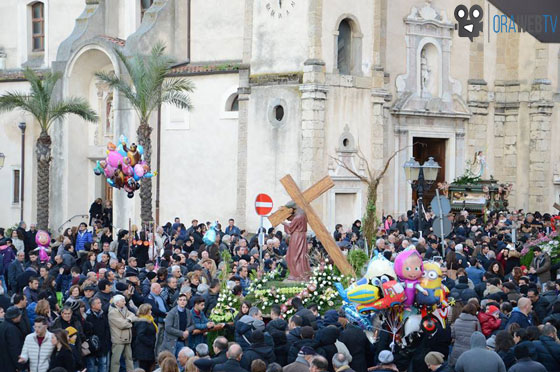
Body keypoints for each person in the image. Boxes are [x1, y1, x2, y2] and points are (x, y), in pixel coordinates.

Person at [108, 294, 138, 372]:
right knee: (116, 361)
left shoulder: (124, 308)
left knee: (129, 359)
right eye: (123, 301)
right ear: (117, 303)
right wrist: (130, 321)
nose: (125, 302)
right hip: (118, 339)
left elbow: (133, 316)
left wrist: (128, 320)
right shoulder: (112, 312)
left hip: (127, 338)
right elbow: (122, 325)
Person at [282, 208, 310, 280]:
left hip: (297, 237)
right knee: (301, 255)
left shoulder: (298, 217)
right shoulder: (303, 215)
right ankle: (302, 273)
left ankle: (297, 274)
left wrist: (283, 222)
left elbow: (291, 227)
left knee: (294, 255)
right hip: (301, 237)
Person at [85, 296, 111, 372]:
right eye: (98, 303)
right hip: (92, 346)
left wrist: (106, 341)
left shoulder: (103, 315)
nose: (101, 304)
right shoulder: (88, 316)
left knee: (103, 364)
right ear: (93, 305)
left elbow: (107, 329)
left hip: (103, 345)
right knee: (91, 366)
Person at [133, 303, 158, 372]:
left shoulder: (150, 320)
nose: (151, 311)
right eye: (149, 310)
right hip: (143, 351)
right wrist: (150, 342)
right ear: (145, 311)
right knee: (144, 368)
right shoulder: (142, 321)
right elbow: (140, 335)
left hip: (148, 350)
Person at [0, 306, 25, 372]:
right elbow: (14, 349)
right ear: (14, 317)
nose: (20, 316)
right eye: (19, 315)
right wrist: (19, 366)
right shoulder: (11, 329)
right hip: (10, 365)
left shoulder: (2, 325)